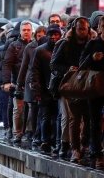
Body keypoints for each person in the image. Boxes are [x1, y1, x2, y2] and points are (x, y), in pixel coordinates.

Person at [79, 15, 104, 165]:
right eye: (103, 26)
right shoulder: (93, 44)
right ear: (99, 27)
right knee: (94, 120)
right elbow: (82, 64)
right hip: (95, 86)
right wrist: (92, 58)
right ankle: (95, 149)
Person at [51, 16, 92, 160]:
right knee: (70, 117)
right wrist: (68, 69)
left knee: (86, 118)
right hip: (67, 84)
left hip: (85, 85)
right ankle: (67, 144)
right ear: (75, 29)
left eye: (84, 29)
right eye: (79, 29)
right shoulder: (66, 44)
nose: (82, 32)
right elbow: (54, 64)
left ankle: (82, 143)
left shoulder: (91, 44)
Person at [30, 24, 61, 154]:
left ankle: (54, 141)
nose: (53, 37)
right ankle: (45, 140)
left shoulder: (62, 48)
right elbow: (34, 71)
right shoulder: (40, 51)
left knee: (56, 117)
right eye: (51, 34)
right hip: (44, 89)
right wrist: (37, 90)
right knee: (45, 117)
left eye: (56, 34)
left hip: (58, 89)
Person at [2, 21, 33, 144]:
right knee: (18, 109)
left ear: (32, 31)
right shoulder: (14, 46)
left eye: (28, 30)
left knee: (31, 109)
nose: (26, 32)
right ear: (20, 31)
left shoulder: (34, 45)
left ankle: (29, 132)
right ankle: (17, 133)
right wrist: (6, 82)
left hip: (31, 82)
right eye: (24, 30)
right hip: (17, 82)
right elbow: (7, 64)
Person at [17, 26, 46, 146]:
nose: (41, 38)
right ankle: (33, 133)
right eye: (39, 36)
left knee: (42, 110)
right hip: (31, 80)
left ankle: (40, 134)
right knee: (33, 108)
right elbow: (24, 66)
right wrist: (20, 82)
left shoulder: (48, 46)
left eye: (43, 36)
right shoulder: (30, 47)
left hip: (43, 79)